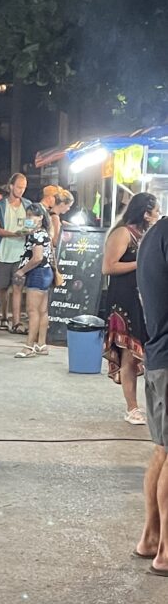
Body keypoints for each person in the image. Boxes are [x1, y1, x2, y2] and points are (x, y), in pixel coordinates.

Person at [103, 192, 161, 425]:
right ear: (145, 213)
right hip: (125, 301)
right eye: (155, 210)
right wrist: (142, 262)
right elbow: (108, 267)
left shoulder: (149, 235)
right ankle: (132, 407)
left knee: (149, 354)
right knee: (130, 353)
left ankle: (153, 406)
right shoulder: (123, 233)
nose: (158, 215)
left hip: (147, 299)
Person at [134, 212, 168, 573]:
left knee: (163, 450)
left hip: (158, 355)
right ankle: (166, 552)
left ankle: (150, 538)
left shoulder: (154, 234)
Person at [12, 202, 55, 358]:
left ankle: (28, 346)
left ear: (41, 217)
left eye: (32, 216)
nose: (29, 218)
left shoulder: (38, 235)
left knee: (33, 311)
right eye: (27, 215)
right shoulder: (42, 232)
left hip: (37, 273)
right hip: (46, 272)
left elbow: (37, 258)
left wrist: (22, 271)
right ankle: (42, 344)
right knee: (42, 311)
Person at [0, 173, 30, 334]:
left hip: (20, 254)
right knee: (2, 288)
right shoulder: (1, 205)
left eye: (24, 187)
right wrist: (14, 234)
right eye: (19, 187)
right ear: (11, 186)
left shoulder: (27, 205)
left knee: (18, 287)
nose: (21, 190)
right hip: (3, 252)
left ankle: (16, 322)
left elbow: (30, 226)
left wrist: (27, 231)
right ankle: (4, 317)